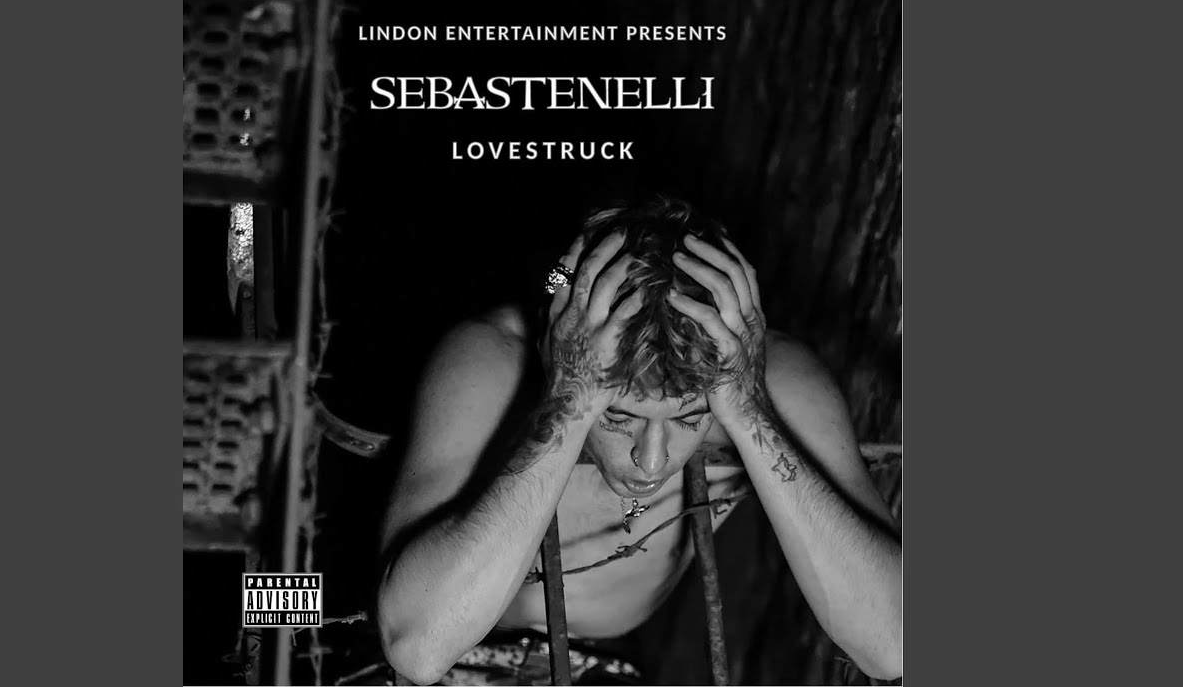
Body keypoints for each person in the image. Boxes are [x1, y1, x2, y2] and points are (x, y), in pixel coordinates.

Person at [374, 198, 902, 685]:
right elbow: (420, 648)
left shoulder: (767, 377)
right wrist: (571, 404)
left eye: (690, 418)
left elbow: (896, 643)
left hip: (604, 667)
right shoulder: (492, 358)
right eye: (619, 417)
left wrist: (747, 411)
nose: (651, 462)